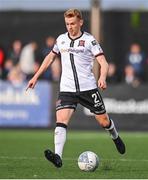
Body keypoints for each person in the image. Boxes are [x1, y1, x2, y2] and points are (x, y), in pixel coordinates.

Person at [26, 9, 126, 168]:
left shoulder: (89, 40)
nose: (70, 27)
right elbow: (50, 58)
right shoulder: (61, 39)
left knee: (103, 121)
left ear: (80, 22)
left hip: (88, 88)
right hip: (67, 88)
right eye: (67, 24)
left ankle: (115, 136)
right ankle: (57, 156)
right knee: (61, 121)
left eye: (73, 23)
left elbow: (104, 62)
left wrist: (102, 77)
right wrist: (36, 76)